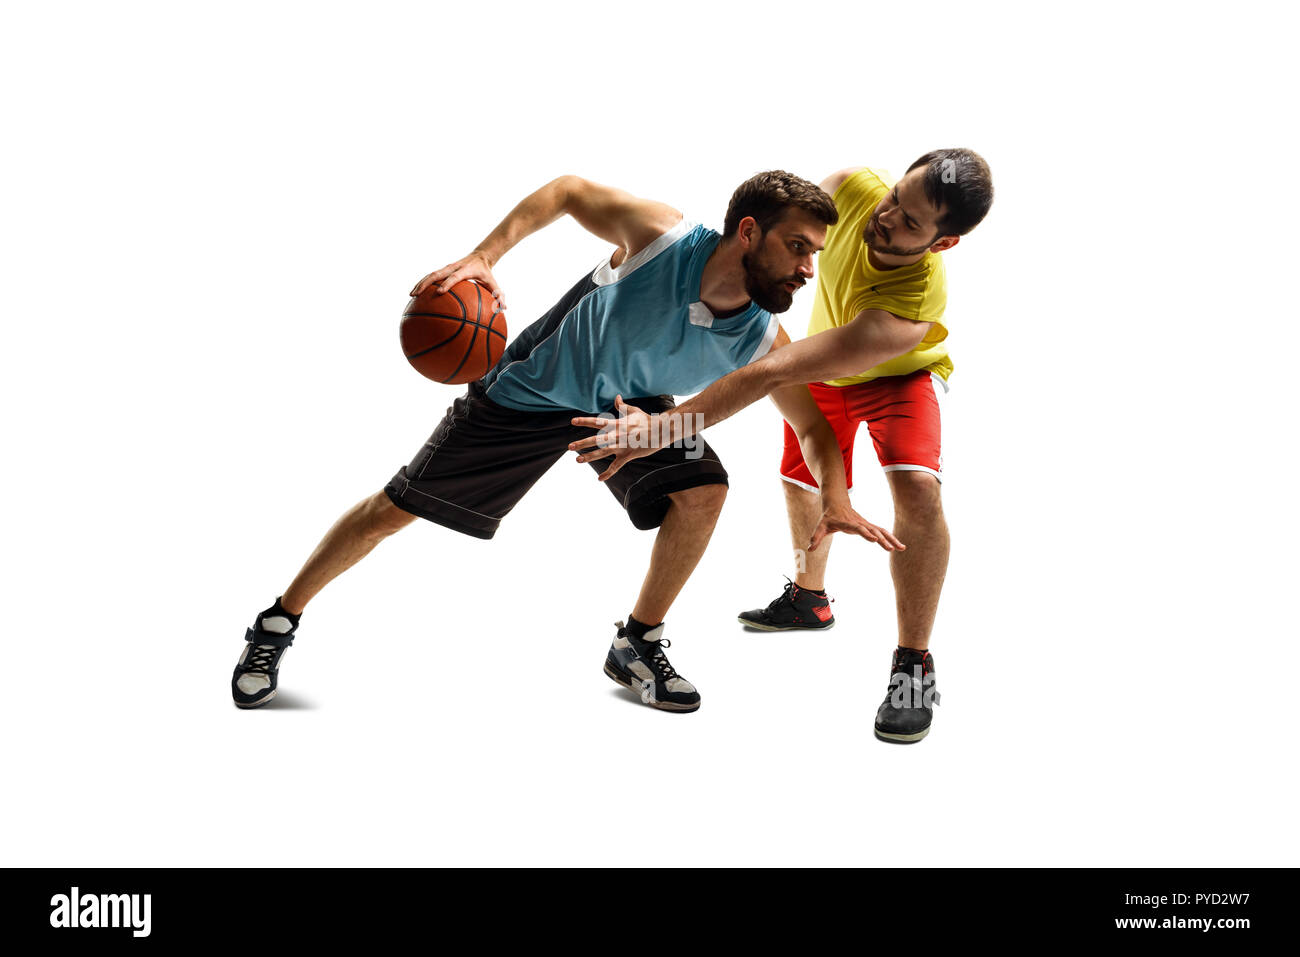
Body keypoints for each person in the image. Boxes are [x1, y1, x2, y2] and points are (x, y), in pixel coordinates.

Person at [232, 171, 902, 714]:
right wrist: (484, 257)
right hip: (535, 389)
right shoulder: (662, 236)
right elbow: (568, 191)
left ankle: (637, 642)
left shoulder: (760, 338)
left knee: (703, 489)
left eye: (815, 252)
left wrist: (837, 499)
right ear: (749, 232)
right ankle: (276, 623)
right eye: (798, 246)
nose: (808, 267)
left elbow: (812, 426)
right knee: (394, 509)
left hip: (627, 411)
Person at [569, 149, 994, 741]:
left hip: (895, 374)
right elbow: (783, 238)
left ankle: (912, 666)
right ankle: (808, 597)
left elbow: (767, 372)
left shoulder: (909, 310)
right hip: (824, 360)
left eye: (911, 222)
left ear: (941, 243)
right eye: (897, 195)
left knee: (917, 489)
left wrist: (663, 430)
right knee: (802, 479)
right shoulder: (852, 187)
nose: (887, 216)